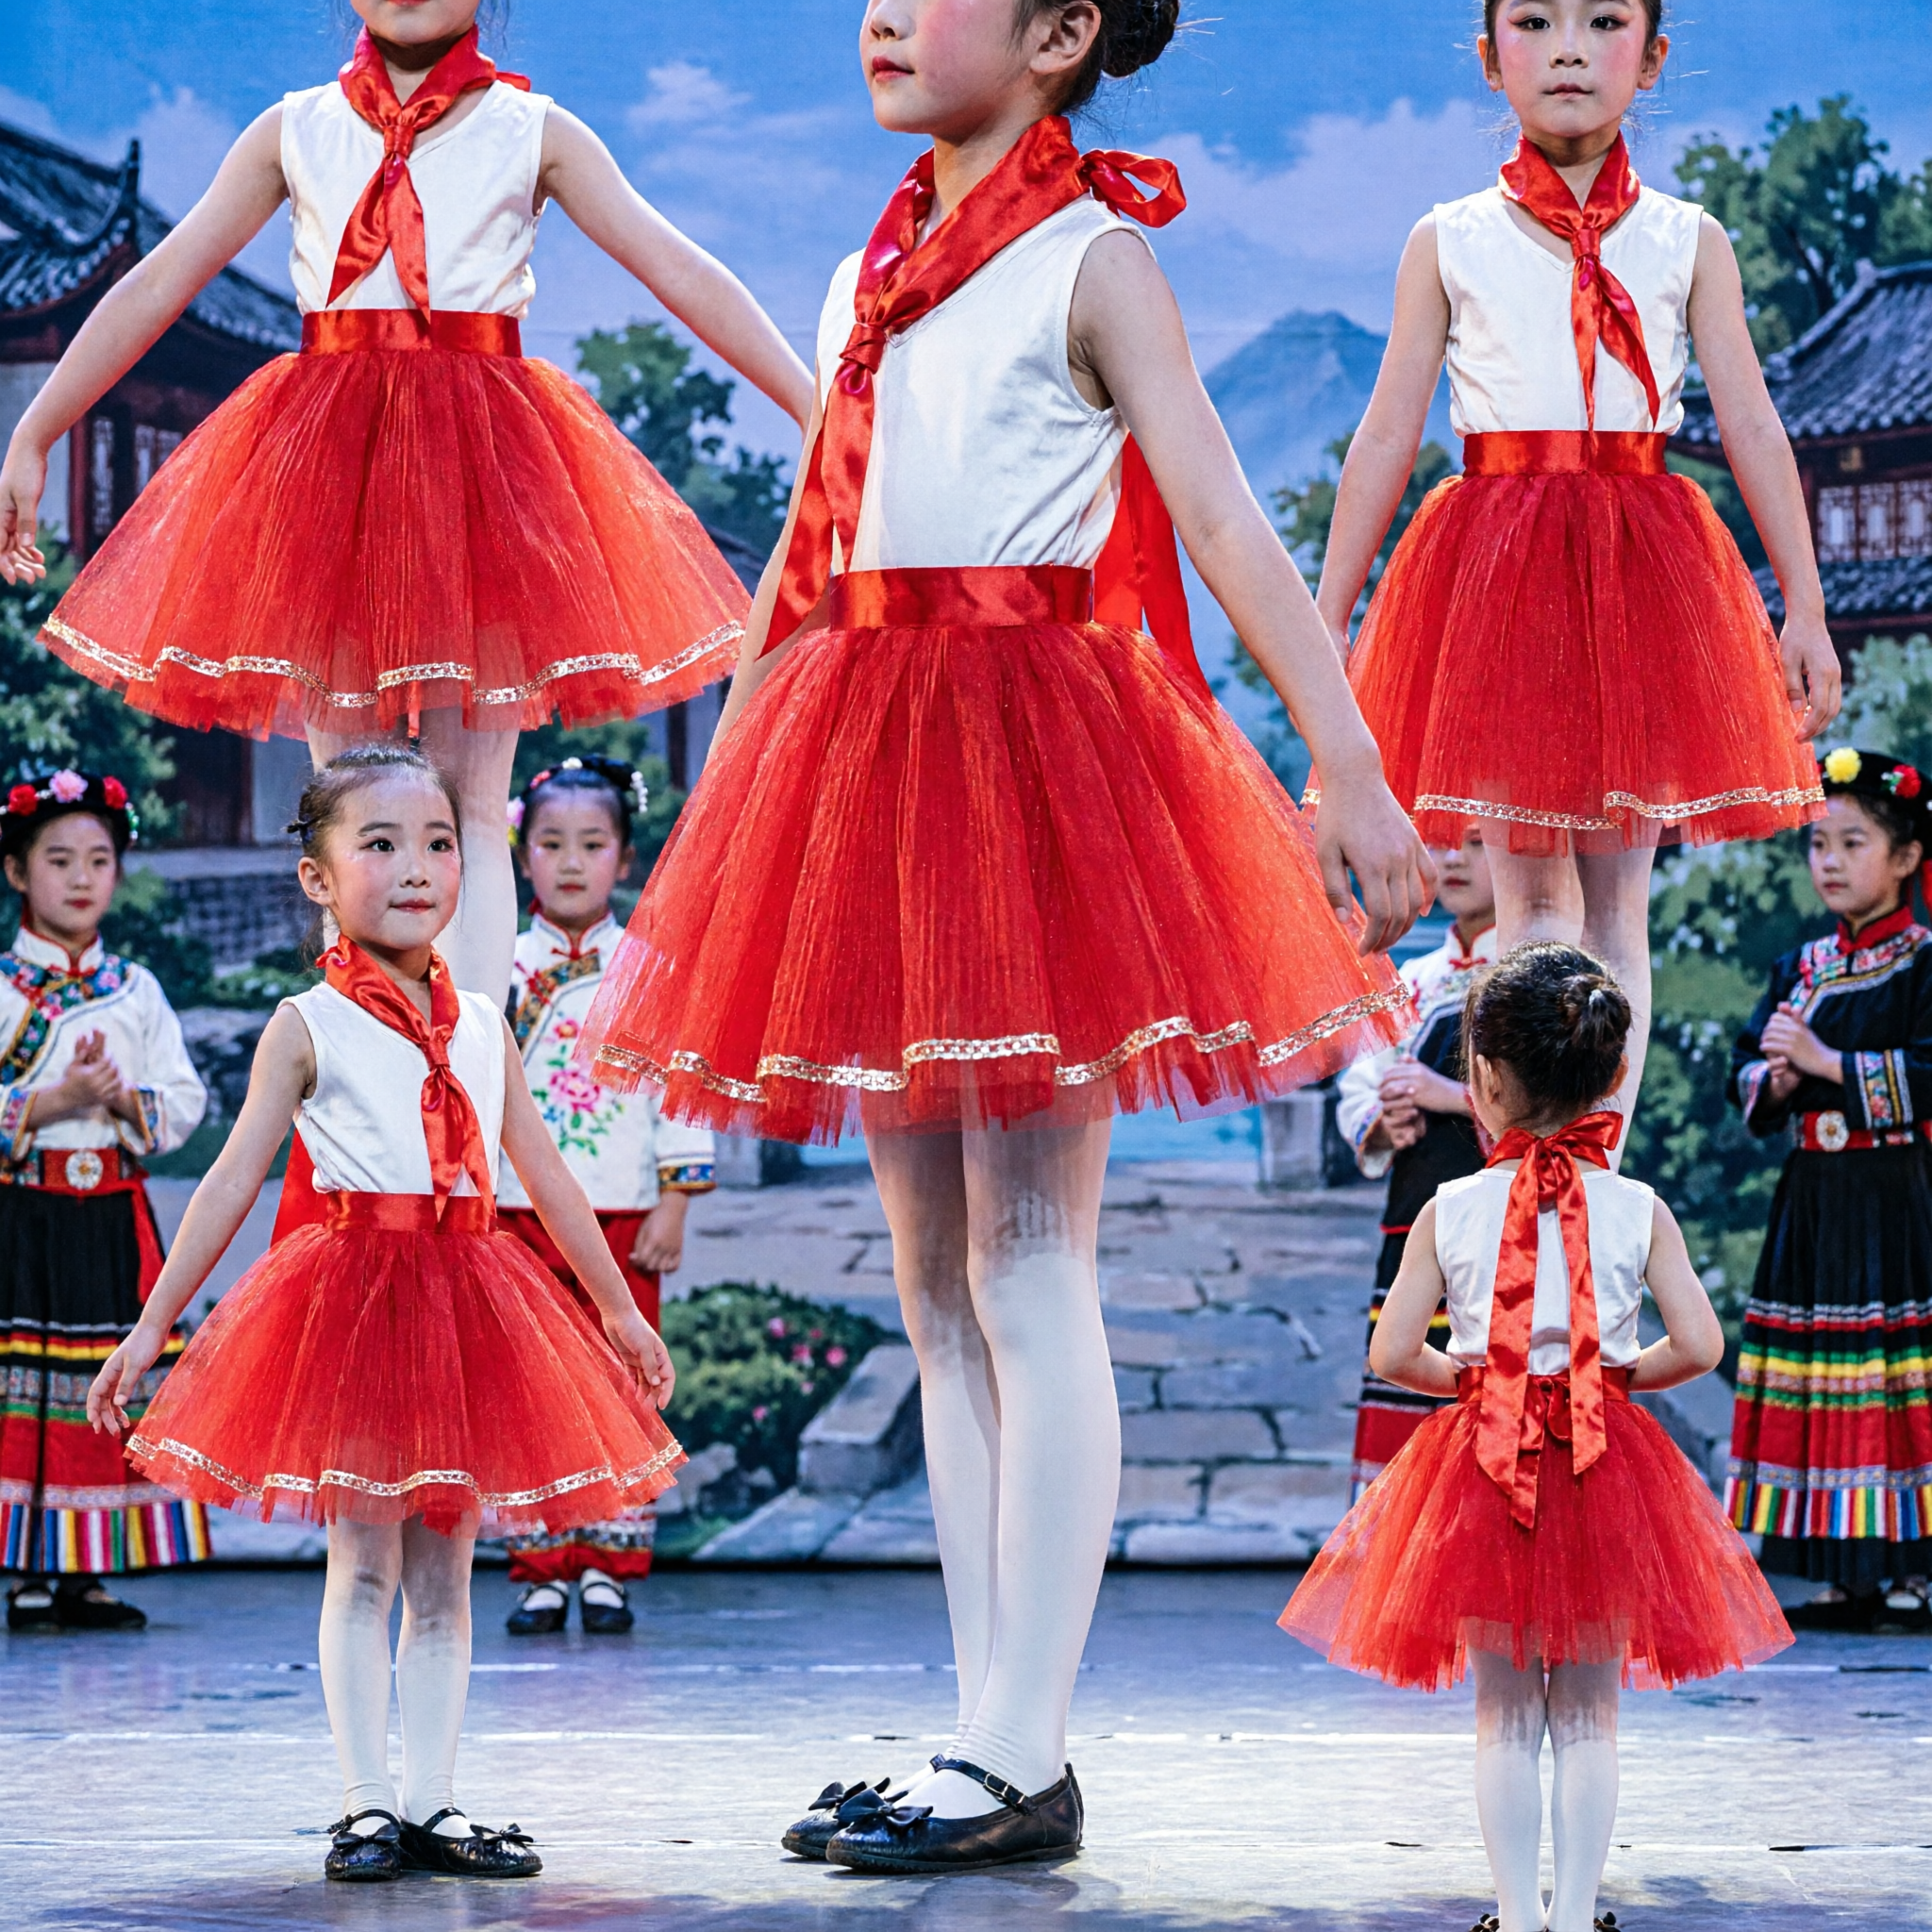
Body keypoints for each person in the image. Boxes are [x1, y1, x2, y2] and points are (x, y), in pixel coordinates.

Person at [580, 0, 1434, 1876]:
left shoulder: (1090, 258)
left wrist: (1351, 762)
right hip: (854, 752)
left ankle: (1023, 1740)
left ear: (1057, 35)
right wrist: (722, 827)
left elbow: (1217, 516)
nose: (887, 10)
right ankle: (983, 1728)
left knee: (1031, 1261)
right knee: (936, 1281)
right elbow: (807, 557)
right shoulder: (862, 268)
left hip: (1029, 764)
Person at [0, 0, 812, 1005]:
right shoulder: (293, 128)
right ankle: (373, 1056)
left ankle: (467, 1071)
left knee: (474, 797)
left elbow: (677, 265)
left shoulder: (534, 130)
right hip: (331, 476)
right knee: (350, 798)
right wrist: (36, 429)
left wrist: (814, 405)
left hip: (484, 473)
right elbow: (159, 281)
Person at [85, 746, 682, 1884]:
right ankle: (364, 1801)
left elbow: (544, 1175)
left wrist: (615, 1308)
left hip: (469, 1296)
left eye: (439, 842)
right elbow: (229, 1181)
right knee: (363, 1561)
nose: (417, 867)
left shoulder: (485, 1021)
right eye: (380, 843)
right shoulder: (305, 1021)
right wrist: (150, 1325)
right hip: (357, 1297)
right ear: (316, 877)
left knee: (446, 1572)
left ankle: (435, 1797)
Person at [1313, 0, 1837, 1141]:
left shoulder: (1685, 236)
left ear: (1648, 58)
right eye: (1532, 20)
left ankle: (1589, 1168)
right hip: (1498, 573)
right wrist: (1324, 621)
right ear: (1488, 52)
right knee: (1532, 897)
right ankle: (1523, 1169)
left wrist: (1801, 600)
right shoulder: (1446, 236)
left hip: (1640, 573)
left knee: (1614, 902)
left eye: (1601, 21)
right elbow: (1385, 436)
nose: (1564, 47)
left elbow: (1749, 420)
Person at [1282, 942, 1790, 1932]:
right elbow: (1699, 1340)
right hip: (1603, 1464)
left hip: (1484, 1460)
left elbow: (1393, 1352)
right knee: (1590, 1714)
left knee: (1503, 1714)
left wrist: (1478, 1382)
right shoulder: (1638, 1206)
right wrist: (1611, 1378)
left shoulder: (1449, 1205)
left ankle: (1515, 1915)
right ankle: (1576, 1914)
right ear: (1609, 1074)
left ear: (1481, 1076)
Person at [498, 756, 715, 1637]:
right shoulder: (498, 970)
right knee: (527, 1387)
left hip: (620, 1207)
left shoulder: (648, 969)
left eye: (592, 844)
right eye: (552, 844)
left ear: (624, 858)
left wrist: (675, 1200)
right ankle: (541, 1565)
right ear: (522, 856)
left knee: (624, 1386)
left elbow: (679, 1087)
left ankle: (610, 1566)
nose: (572, 861)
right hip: (514, 1211)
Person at [1726, 748, 1932, 1632]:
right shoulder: (1798, 966)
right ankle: (1842, 1571)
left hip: (1896, 1196)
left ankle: (1912, 1568)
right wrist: (1769, 1083)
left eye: (1854, 842)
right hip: (1812, 1196)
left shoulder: (1924, 965)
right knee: (1821, 1376)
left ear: (1909, 858)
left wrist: (1825, 1063)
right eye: (1819, 844)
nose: (1832, 862)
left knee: (1894, 1375)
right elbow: (1747, 1067)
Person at [0, 771, 208, 1632]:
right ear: (16, 872)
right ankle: (27, 1568)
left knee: (100, 1385)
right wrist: (49, 1103)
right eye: (58, 860)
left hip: (112, 1219)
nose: (81, 878)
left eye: (98, 860)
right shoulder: (7, 988)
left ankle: (86, 1569)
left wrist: (122, 1101)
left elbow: (183, 1101)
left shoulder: (137, 990)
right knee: (27, 1388)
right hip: (22, 1219)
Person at [1337, 824, 1496, 1498]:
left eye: (1478, 842)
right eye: (1439, 840)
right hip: (1412, 1227)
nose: (1453, 857)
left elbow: (1564, 1102)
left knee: (1484, 1397)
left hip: (1500, 1232)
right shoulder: (1412, 980)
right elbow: (1358, 1081)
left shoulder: (1536, 971)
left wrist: (1454, 1097)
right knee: (1407, 1395)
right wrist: (1383, 1123)